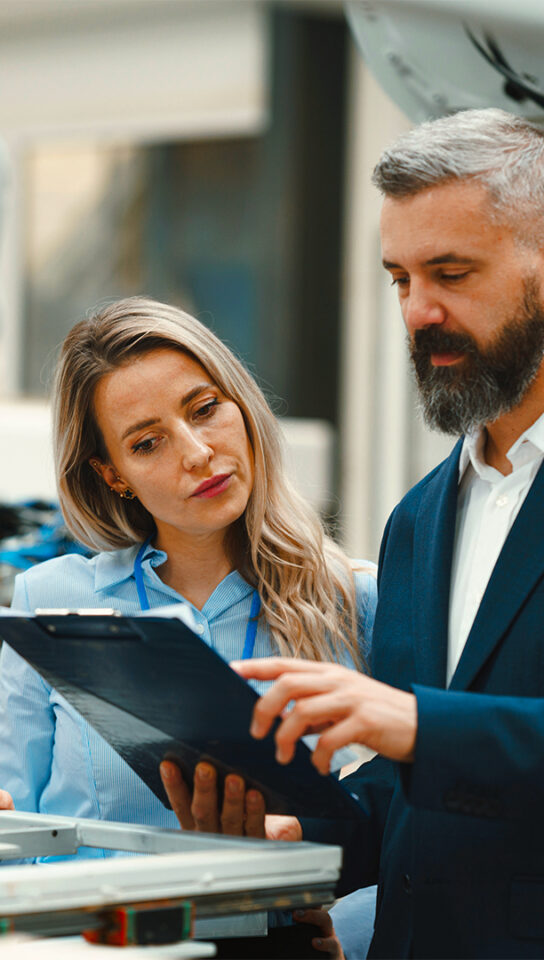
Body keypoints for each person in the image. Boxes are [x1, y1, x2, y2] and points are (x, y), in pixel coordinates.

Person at [0, 297, 377, 957]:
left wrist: (349, 939)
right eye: (147, 442)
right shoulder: (51, 602)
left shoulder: (351, 601)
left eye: (204, 409)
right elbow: (8, 853)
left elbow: (420, 830)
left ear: (241, 406)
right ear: (113, 474)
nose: (198, 453)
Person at [231, 108, 544, 958]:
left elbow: (422, 734)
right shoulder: (419, 519)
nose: (417, 312)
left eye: (450, 272)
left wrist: (411, 724)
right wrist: (301, 838)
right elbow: (419, 789)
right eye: (400, 279)